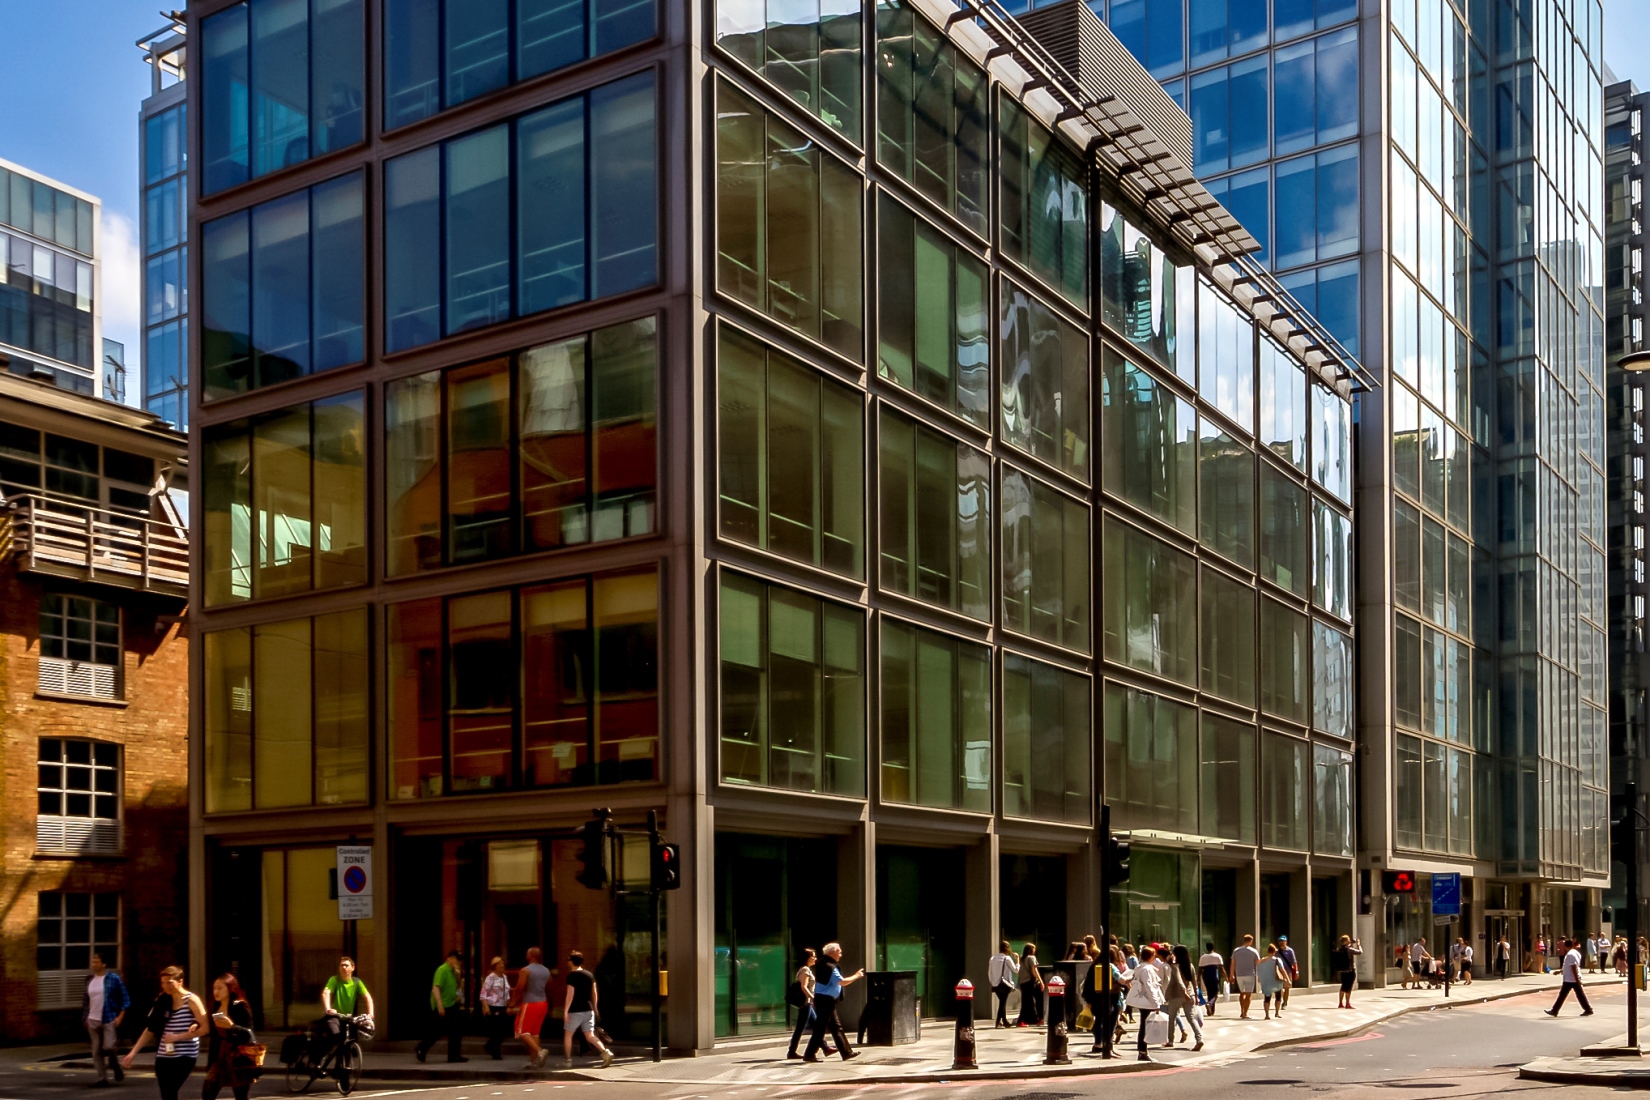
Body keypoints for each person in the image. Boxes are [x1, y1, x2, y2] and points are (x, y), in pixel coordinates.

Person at [121, 966, 207, 1100]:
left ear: (180, 981)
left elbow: (206, 1028)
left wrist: (179, 1036)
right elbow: (150, 1029)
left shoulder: (191, 1000)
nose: (165, 986)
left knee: (170, 1089)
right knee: (167, 1094)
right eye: (163, 983)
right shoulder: (163, 999)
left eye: (169, 982)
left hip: (186, 1054)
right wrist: (133, 1053)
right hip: (164, 1055)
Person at [803, 943, 862, 1063]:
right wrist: (856, 976)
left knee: (835, 1027)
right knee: (821, 1028)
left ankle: (846, 1053)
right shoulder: (830, 966)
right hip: (825, 1000)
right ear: (832, 952)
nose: (841, 954)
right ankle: (809, 1054)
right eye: (839, 951)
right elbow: (842, 982)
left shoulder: (823, 963)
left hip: (825, 999)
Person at [201, 974, 256, 1100]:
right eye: (214, 988)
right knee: (208, 1093)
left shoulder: (240, 1006)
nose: (216, 992)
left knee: (241, 1095)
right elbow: (214, 1039)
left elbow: (248, 1034)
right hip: (220, 1057)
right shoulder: (216, 1007)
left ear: (230, 988)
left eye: (220, 988)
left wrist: (232, 1026)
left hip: (238, 1056)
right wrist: (210, 1064)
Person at [560, 950, 614, 1068]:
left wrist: (565, 1010)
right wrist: (595, 1007)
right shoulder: (589, 975)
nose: (568, 962)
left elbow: (570, 994)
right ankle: (605, 1053)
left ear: (571, 962)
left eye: (568, 960)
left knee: (568, 1035)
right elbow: (594, 993)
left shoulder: (572, 976)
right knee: (590, 1035)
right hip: (588, 1009)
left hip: (575, 1010)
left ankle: (567, 1060)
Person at [84, 951, 129, 1086]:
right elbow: (86, 1000)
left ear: (104, 964)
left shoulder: (113, 978)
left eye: (96, 962)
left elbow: (125, 998)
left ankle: (115, 1065)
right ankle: (102, 1078)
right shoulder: (89, 979)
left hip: (109, 1017)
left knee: (109, 1046)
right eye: (93, 962)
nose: (94, 964)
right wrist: (85, 1017)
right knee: (96, 1051)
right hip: (92, 1019)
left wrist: (120, 1016)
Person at [414, 950, 466, 1064]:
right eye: (457, 959)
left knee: (456, 1031)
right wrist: (440, 1005)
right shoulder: (442, 970)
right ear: (450, 958)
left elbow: (456, 987)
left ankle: (454, 1056)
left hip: (451, 1004)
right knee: (436, 1032)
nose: (458, 962)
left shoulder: (453, 972)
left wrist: (458, 978)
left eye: (459, 960)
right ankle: (421, 1048)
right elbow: (436, 988)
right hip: (443, 1005)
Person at [321, 956, 374, 1055]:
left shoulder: (356, 982)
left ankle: (343, 1066)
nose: (343, 967)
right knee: (335, 1036)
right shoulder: (335, 980)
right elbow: (326, 993)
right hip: (334, 1016)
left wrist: (370, 1014)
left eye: (346, 965)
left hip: (348, 1017)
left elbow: (368, 998)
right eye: (341, 965)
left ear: (353, 967)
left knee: (349, 1040)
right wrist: (328, 1009)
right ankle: (320, 1058)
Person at [787, 948, 833, 1060]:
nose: (815, 958)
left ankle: (825, 1047)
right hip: (806, 1003)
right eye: (813, 956)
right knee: (801, 1028)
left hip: (807, 1003)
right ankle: (792, 1052)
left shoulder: (806, 969)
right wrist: (812, 998)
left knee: (816, 1026)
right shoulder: (805, 970)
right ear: (807, 958)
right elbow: (804, 986)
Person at [1124, 945, 1165, 1062]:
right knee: (1145, 1027)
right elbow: (1149, 986)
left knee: (1144, 1026)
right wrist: (1156, 1003)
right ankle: (1143, 1052)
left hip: (1144, 1000)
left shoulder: (1140, 967)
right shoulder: (1146, 969)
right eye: (1154, 955)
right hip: (1147, 1001)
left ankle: (1143, 1051)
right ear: (1151, 956)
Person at [513, 947, 552, 1069]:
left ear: (531, 956)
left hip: (530, 1003)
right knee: (534, 1033)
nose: (526, 956)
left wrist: (512, 1004)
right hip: (543, 1003)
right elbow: (550, 988)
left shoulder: (526, 971)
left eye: (527, 954)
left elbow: (520, 988)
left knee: (522, 1031)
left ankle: (540, 1051)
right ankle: (533, 1061)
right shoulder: (546, 971)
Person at [1164, 946, 1204, 1051]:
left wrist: (1184, 992)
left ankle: (1170, 1041)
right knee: (1191, 1018)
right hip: (1190, 995)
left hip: (1176, 994)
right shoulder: (1190, 965)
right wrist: (1196, 995)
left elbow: (1178, 980)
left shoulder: (1174, 966)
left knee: (1171, 1018)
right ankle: (1199, 1039)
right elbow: (1195, 982)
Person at [1544, 938, 1594, 1018]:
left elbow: (1573, 967)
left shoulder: (1570, 954)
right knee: (1579, 994)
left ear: (1565, 946)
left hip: (1570, 979)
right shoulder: (1576, 953)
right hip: (1572, 978)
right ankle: (1588, 1009)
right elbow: (1570, 965)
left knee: (1563, 995)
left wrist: (1576, 979)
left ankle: (1555, 1010)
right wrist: (1560, 971)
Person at [479, 958, 511, 1061]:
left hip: (503, 1005)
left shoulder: (504, 977)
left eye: (503, 964)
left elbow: (506, 992)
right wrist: (485, 1006)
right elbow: (483, 992)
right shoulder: (491, 977)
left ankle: (490, 1046)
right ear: (495, 966)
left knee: (504, 1030)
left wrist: (509, 1003)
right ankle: (495, 1052)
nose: (502, 966)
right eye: (499, 964)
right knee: (496, 1030)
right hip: (493, 1005)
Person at [1229, 935, 1261, 1019]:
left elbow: (1232, 963)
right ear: (1251, 941)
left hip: (1239, 974)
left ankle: (1242, 1010)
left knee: (1242, 993)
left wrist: (1231, 974)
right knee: (1248, 994)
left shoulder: (1236, 951)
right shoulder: (1254, 951)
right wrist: (1260, 975)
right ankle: (1245, 1013)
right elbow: (1258, 964)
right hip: (1250, 974)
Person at [987, 941, 1018, 1028]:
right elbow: (1016, 970)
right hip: (1005, 984)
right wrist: (1017, 960)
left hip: (995, 985)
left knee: (1002, 1002)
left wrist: (992, 982)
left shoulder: (992, 958)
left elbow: (990, 973)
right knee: (1002, 1003)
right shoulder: (1007, 958)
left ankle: (1004, 1021)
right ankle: (997, 1023)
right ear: (1007, 949)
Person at [1257, 943, 1290, 1020]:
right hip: (1276, 980)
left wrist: (1260, 978)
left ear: (1268, 951)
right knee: (1278, 996)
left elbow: (1259, 970)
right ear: (1274, 952)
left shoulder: (1262, 961)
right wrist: (1288, 979)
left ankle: (1267, 1015)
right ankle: (1277, 1013)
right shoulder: (1277, 960)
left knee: (1267, 998)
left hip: (1266, 981)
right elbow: (1282, 970)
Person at [1015, 943, 1044, 1026]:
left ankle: (1024, 1020)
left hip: (1022, 983)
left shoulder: (1021, 959)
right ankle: (1039, 1018)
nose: (1035, 951)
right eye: (1034, 949)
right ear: (1031, 950)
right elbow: (1034, 970)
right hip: (1030, 982)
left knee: (1026, 1002)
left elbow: (1018, 972)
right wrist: (1040, 980)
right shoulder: (1032, 958)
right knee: (1038, 999)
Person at [1331, 935, 1361, 1009]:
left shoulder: (1339, 949)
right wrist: (1358, 945)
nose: (1349, 941)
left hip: (1342, 971)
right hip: (1350, 971)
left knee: (1343, 986)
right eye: (1348, 940)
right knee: (1349, 987)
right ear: (1345, 941)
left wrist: (1352, 942)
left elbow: (1347, 945)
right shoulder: (1349, 949)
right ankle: (1347, 1003)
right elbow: (1360, 952)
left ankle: (1340, 1003)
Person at [1197, 943, 1223, 1017]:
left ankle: (1211, 1011)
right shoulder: (1217, 956)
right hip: (1214, 975)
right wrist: (1226, 977)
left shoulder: (1203, 957)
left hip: (1206, 976)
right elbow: (1221, 968)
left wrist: (1198, 979)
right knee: (1216, 992)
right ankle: (1210, 1004)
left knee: (1209, 992)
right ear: (1213, 948)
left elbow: (1200, 969)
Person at [1276, 936, 1298, 1010]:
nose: (1281, 942)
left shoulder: (1290, 951)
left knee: (1287, 988)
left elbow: (1294, 962)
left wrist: (1296, 972)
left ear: (1286, 942)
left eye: (1283, 941)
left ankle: (1285, 1002)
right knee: (1280, 988)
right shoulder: (1277, 951)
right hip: (1279, 972)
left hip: (1288, 972)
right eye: (1280, 941)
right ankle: (1279, 1000)